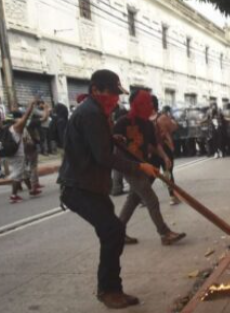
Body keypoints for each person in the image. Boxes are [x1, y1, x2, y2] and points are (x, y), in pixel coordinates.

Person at [58, 70, 159, 309]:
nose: (115, 99)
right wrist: (139, 166)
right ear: (96, 90)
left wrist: (115, 140)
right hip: (79, 187)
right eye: (111, 93)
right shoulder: (92, 113)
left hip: (90, 186)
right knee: (113, 231)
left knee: (111, 232)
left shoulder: (96, 112)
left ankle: (110, 287)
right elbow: (103, 157)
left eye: (117, 94)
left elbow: (98, 144)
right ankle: (109, 290)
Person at [115, 90, 186, 245]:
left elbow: (153, 145)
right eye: (144, 103)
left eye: (150, 103)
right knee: (151, 199)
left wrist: (165, 157)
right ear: (135, 105)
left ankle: (117, 232)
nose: (149, 106)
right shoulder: (122, 122)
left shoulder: (147, 124)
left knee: (134, 198)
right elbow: (113, 145)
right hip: (128, 166)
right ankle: (164, 233)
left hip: (143, 164)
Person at [150, 96, 180, 205]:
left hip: (151, 150)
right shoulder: (162, 117)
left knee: (151, 173)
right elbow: (174, 127)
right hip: (164, 148)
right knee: (168, 172)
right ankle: (172, 196)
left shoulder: (144, 119)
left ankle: (143, 197)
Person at [8, 102, 40, 203]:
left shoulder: (9, 126)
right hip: (18, 153)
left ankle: (31, 190)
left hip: (13, 152)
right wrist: (31, 105)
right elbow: (26, 116)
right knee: (18, 173)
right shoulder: (18, 126)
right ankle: (14, 195)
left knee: (24, 171)